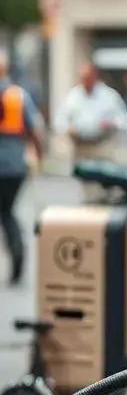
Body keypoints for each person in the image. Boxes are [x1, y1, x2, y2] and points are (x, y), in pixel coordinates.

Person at [0, 49, 44, 286]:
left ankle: (16, 253)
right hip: (14, 165)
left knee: (5, 212)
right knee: (7, 211)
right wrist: (39, 155)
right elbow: (34, 130)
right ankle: (17, 252)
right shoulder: (17, 96)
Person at [57, 62, 127, 165]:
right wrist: (69, 129)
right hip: (81, 148)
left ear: (95, 76)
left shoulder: (109, 96)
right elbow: (60, 120)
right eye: (83, 78)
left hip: (102, 147)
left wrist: (111, 124)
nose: (85, 81)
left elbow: (123, 119)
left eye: (88, 77)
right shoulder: (72, 96)